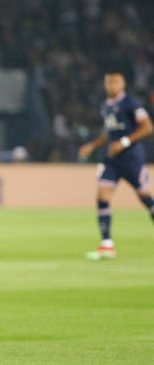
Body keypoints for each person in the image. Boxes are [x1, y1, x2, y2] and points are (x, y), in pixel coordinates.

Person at [78, 71, 154, 260]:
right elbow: (108, 133)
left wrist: (125, 142)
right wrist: (92, 145)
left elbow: (147, 127)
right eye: (109, 82)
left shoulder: (131, 103)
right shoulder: (105, 105)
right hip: (112, 159)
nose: (112, 85)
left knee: (145, 197)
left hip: (131, 158)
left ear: (123, 84)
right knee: (102, 196)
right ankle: (107, 245)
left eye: (116, 82)